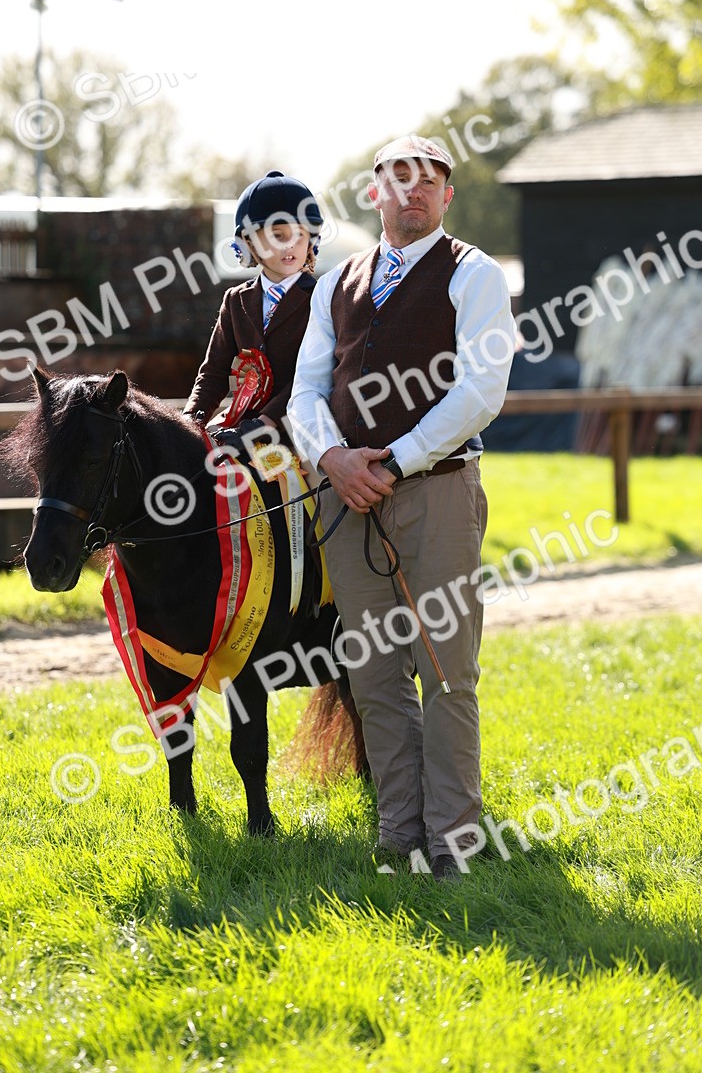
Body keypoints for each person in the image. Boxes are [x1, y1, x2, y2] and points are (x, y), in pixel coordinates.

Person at [288, 135, 516, 879]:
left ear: (447, 196)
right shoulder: (335, 283)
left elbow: (482, 390)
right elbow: (304, 393)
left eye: (430, 181)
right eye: (399, 178)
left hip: (438, 491)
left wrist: (396, 456)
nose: (413, 191)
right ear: (374, 190)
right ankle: (398, 838)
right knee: (376, 676)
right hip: (344, 497)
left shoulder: (473, 274)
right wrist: (331, 459)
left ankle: (452, 847)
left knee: (446, 671)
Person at [184, 170, 323, 449]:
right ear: (248, 243)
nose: (290, 245)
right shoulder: (235, 300)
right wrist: (189, 423)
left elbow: (310, 376)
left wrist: (262, 424)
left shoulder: (322, 296)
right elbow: (213, 374)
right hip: (240, 430)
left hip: (300, 434)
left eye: (299, 234)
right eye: (277, 235)